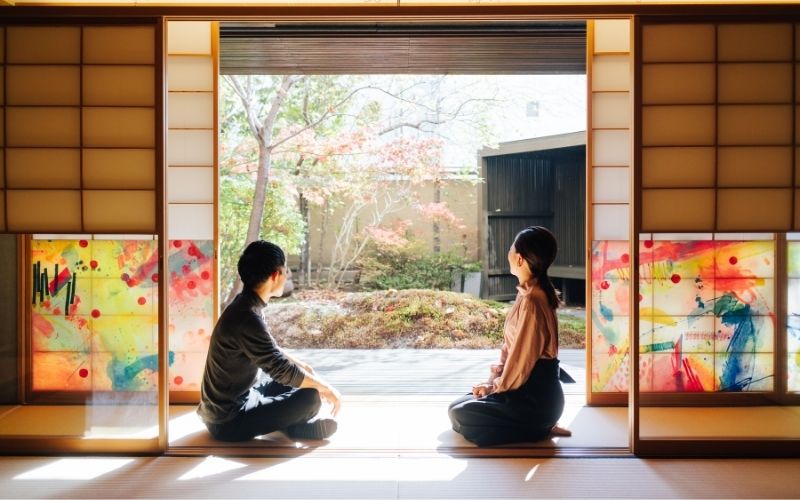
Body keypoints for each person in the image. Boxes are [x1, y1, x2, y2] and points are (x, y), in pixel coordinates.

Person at [198, 240, 342, 441]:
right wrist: (326, 388)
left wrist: (303, 366)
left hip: (243, 396)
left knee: (301, 380)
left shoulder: (246, 304)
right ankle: (294, 428)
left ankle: (292, 426)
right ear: (276, 275)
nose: (286, 276)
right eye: (286, 271)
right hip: (226, 419)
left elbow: (271, 351)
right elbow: (280, 369)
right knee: (311, 397)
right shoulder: (247, 317)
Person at [448, 226, 571, 447]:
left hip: (535, 400)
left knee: (462, 414)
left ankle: (539, 428)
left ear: (520, 259)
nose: (509, 252)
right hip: (525, 391)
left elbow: (520, 364)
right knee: (458, 406)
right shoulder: (527, 292)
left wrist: (494, 388)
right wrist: (491, 382)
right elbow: (509, 348)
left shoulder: (534, 301)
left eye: (511, 247)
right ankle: (537, 427)